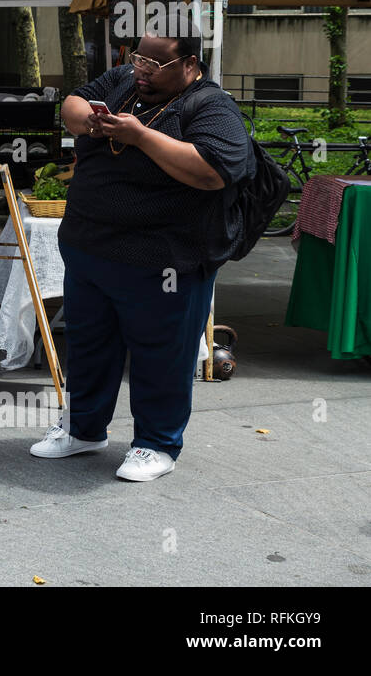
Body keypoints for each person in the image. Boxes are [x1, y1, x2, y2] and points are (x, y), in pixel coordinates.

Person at [29, 28, 250, 481]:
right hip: (90, 247)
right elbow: (73, 102)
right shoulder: (124, 81)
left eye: (156, 63)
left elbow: (215, 172)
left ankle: (157, 444)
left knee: (160, 354)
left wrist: (141, 136)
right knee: (89, 346)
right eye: (139, 59)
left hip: (164, 259)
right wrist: (89, 120)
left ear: (189, 64)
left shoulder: (211, 105)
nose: (142, 70)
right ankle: (82, 429)